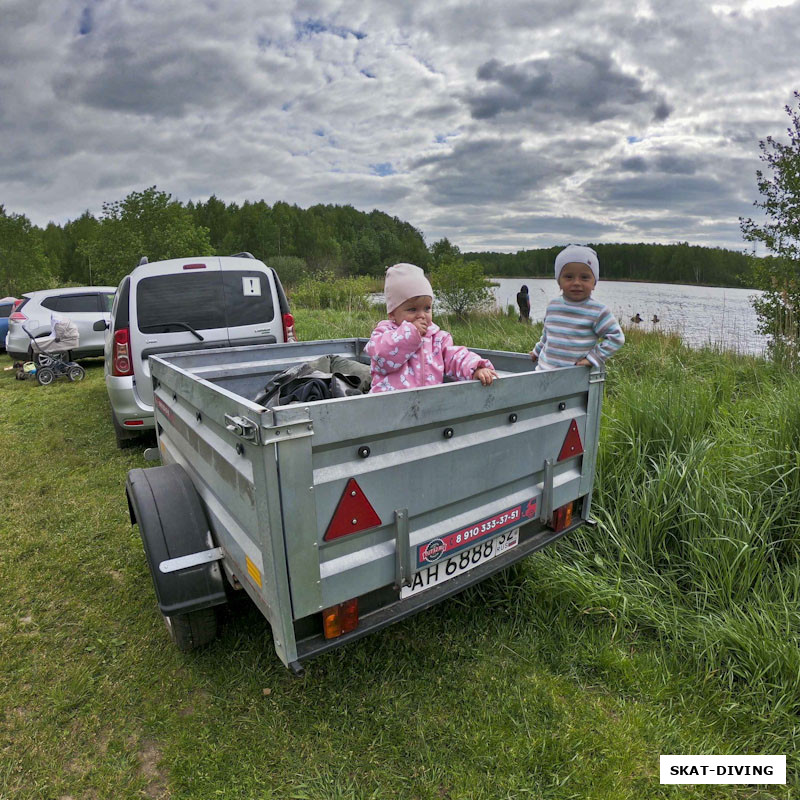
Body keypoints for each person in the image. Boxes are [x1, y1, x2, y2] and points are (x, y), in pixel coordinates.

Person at [365, 263, 498, 393]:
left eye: (427, 308)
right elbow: (381, 358)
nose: (422, 315)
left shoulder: (437, 338)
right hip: (389, 408)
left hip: (427, 406)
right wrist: (410, 333)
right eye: (412, 309)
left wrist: (476, 368)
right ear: (392, 313)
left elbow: (455, 357)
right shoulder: (385, 332)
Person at [530, 245, 624, 370]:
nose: (576, 283)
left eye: (584, 277)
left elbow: (616, 338)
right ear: (559, 281)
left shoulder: (598, 311)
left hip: (574, 379)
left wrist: (593, 358)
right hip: (543, 372)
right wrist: (537, 351)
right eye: (569, 277)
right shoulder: (553, 306)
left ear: (594, 283)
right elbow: (548, 335)